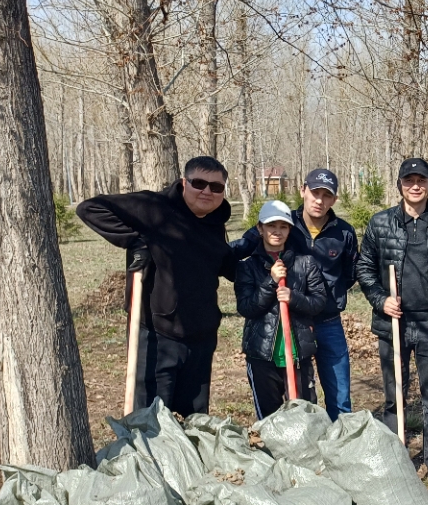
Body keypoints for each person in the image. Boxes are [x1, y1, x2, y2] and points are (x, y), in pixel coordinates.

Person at [77, 156, 236, 416]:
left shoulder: (214, 223)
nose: (207, 191)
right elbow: (90, 208)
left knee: (193, 420)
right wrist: (135, 242)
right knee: (151, 419)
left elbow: (227, 265)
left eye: (216, 187)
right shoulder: (153, 207)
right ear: (184, 183)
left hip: (201, 338)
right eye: (199, 183)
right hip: (156, 334)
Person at [356, 157, 428, 488]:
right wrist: (380, 299)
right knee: (394, 396)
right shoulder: (381, 223)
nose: (415, 185)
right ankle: (396, 457)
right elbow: (364, 267)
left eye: (421, 180)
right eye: (408, 180)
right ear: (400, 184)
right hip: (394, 325)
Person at [232, 169, 359, 420]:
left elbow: (350, 272)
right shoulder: (284, 222)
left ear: (334, 199)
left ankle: (340, 443)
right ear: (303, 191)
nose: (319, 200)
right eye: (314, 193)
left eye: (326, 195)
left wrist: (331, 295)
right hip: (293, 321)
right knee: (294, 392)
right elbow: (245, 246)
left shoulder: (343, 232)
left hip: (327, 321)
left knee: (339, 394)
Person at [235, 200, 329, 418]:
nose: (277, 231)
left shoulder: (305, 264)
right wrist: (271, 282)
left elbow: (318, 303)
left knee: (305, 416)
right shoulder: (247, 267)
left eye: (283, 226)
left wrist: (293, 297)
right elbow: (247, 307)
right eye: (271, 226)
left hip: (298, 355)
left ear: (290, 230)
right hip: (262, 355)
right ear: (260, 228)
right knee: (270, 419)